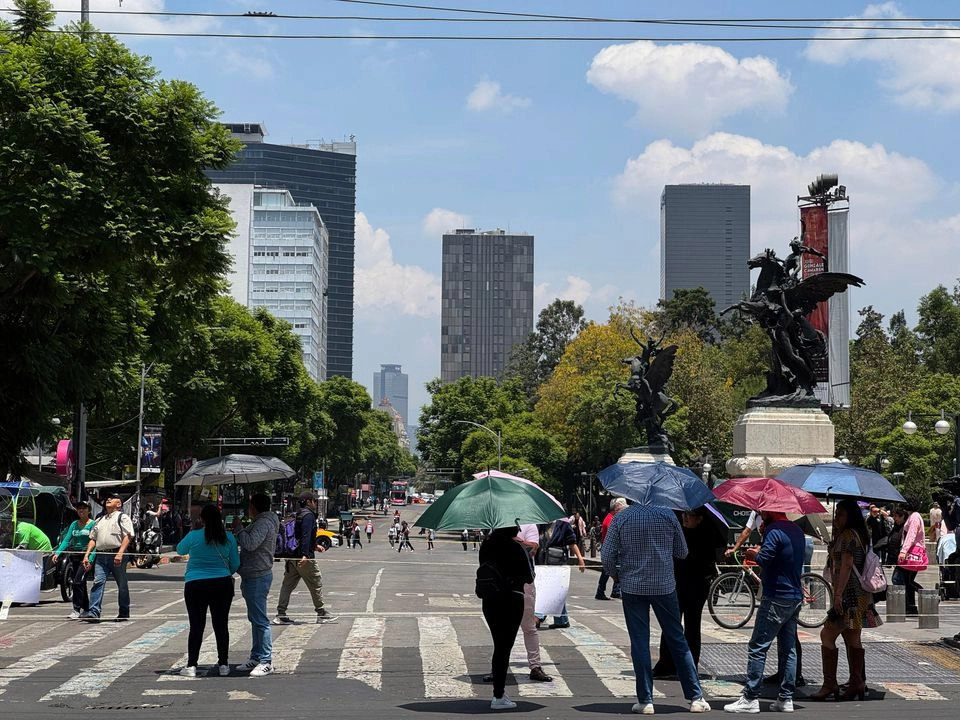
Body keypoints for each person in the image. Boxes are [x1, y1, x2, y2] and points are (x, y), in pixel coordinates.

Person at [603, 503, 712, 714]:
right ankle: (695, 697)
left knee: (639, 642)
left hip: (632, 586)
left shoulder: (622, 518)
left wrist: (615, 575)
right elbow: (682, 552)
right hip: (664, 585)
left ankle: (645, 700)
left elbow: (607, 555)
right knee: (677, 638)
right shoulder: (668, 515)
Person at [723, 509, 804, 714]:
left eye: (763, 510)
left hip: (776, 595)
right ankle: (786, 697)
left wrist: (752, 553)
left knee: (758, 646)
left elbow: (764, 558)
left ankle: (750, 697)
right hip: (794, 596)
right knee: (788, 649)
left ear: (771, 510)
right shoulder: (796, 530)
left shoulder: (774, 530)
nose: (760, 512)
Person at [809, 499, 883, 702]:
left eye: (841, 514)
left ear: (850, 516)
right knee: (852, 638)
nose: (837, 518)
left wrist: (838, 595)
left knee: (827, 635)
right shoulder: (857, 534)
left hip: (849, 595)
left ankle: (830, 683)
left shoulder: (848, 536)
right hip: (859, 596)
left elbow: (847, 565)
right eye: (837, 514)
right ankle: (856, 682)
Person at [653, 508, 725, 679]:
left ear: (700, 519)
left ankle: (689, 666)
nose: (684, 518)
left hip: (697, 585)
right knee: (671, 623)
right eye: (683, 515)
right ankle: (666, 665)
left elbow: (710, 559)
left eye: (689, 516)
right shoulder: (678, 529)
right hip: (676, 583)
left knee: (692, 625)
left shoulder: (708, 533)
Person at [484, 523, 553, 686]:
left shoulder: (527, 528)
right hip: (501, 588)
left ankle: (535, 666)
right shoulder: (494, 539)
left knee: (527, 627)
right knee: (501, 632)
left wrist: (515, 542)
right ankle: (498, 668)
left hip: (519, 589)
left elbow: (533, 548)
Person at [176, 504, 240, 677]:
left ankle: (191, 665)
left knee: (196, 625)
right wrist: (224, 572)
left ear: (202, 519)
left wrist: (195, 529)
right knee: (221, 625)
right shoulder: (228, 537)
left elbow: (180, 549)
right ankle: (223, 664)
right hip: (222, 583)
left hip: (195, 583)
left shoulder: (194, 535)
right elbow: (235, 563)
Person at [478, 526, 534, 711]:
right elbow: (529, 577)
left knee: (499, 645)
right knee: (504, 648)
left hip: (490, 599)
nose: (519, 528)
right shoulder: (517, 548)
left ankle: (499, 692)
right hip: (512, 600)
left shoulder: (486, 545)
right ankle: (498, 695)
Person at [232, 493, 280, 677]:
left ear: (254, 507)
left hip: (258, 575)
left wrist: (239, 529)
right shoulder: (263, 522)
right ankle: (256, 656)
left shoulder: (263, 523)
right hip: (252, 573)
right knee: (255, 619)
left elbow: (251, 544)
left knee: (260, 620)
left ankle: (266, 660)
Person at [273, 491, 337, 625]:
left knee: (287, 585)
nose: (315, 503)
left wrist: (315, 546)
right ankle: (321, 613)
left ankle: (281, 614)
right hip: (303, 558)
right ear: (308, 501)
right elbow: (306, 536)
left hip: (292, 556)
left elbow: (299, 536)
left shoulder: (297, 515)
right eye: (314, 500)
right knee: (315, 583)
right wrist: (306, 555)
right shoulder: (308, 516)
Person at [81, 493, 134, 622]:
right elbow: (93, 539)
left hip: (116, 554)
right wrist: (87, 555)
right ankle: (94, 612)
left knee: (122, 584)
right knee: (98, 582)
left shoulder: (122, 517)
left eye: (112, 498)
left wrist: (120, 553)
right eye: (107, 498)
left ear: (119, 504)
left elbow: (128, 536)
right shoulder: (100, 519)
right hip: (101, 556)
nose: (108, 499)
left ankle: (124, 612)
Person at [536, 518, 586, 629]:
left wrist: (580, 558)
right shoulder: (541, 523)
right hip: (542, 561)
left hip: (558, 561)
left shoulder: (563, 524)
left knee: (557, 591)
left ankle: (544, 617)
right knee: (544, 589)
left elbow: (572, 542)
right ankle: (557, 619)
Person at [52, 501, 94, 619]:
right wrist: (57, 553)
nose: (81, 510)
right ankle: (86, 608)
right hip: (75, 556)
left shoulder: (93, 524)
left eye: (84, 508)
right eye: (79, 508)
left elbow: (95, 543)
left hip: (86, 557)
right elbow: (67, 540)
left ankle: (76, 609)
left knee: (77, 582)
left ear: (89, 510)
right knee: (80, 582)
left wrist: (90, 559)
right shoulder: (74, 524)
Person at [894, 500, 926, 616]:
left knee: (903, 579)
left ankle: (927, 595)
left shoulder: (914, 517)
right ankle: (911, 606)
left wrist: (903, 551)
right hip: (912, 550)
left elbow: (911, 535)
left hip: (912, 551)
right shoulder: (913, 516)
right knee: (907, 580)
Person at [597, 498, 627, 600]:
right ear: (616, 509)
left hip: (609, 546)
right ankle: (602, 591)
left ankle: (614, 591)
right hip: (610, 547)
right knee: (609, 570)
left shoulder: (611, 518)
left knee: (610, 570)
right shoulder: (611, 520)